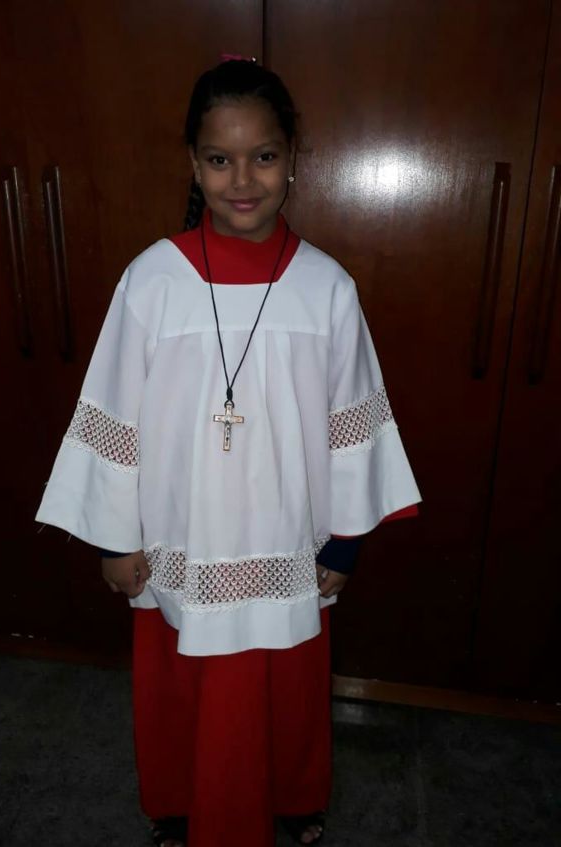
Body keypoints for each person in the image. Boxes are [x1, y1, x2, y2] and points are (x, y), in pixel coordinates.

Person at [36, 58, 421, 847]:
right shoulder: (152, 280)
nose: (243, 180)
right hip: (180, 533)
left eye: (264, 156)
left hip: (289, 538)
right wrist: (115, 539)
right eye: (220, 158)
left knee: (288, 683)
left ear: (292, 159)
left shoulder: (327, 288)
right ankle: (181, 803)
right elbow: (113, 414)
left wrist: (345, 542)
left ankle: (293, 793)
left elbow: (352, 422)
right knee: (181, 680)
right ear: (194, 162)